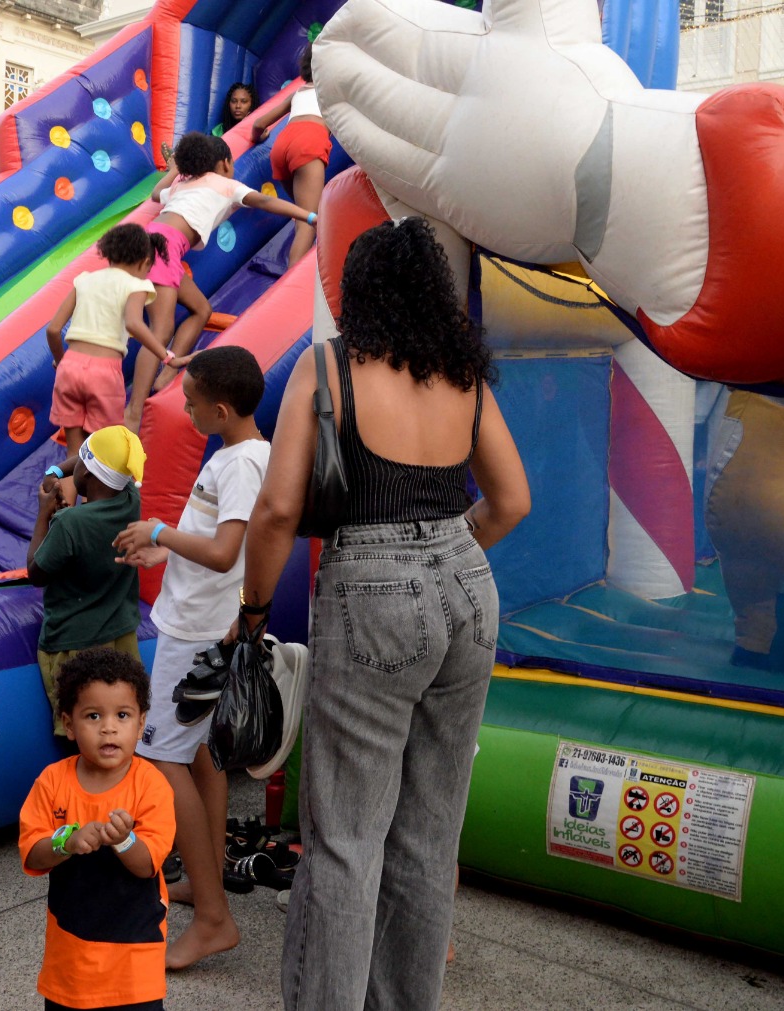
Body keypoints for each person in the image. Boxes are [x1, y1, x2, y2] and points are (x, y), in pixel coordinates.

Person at [235, 218, 530, 1010]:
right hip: (469, 589)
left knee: (344, 842)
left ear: (353, 294)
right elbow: (512, 500)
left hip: (370, 589)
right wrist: (445, 551)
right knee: (430, 839)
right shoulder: (463, 375)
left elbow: (275, 511)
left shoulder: (326, 366)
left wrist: (253, 613)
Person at [111, 346, 269, 970]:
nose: (183, 404)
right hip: (201, 624)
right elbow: (214, 544)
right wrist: (167, 555)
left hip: (195, 637)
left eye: (192, 399)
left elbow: (227, 550)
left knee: (158, 759)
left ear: (221, 409)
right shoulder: (240, 454)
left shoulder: (242, 463)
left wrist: (158, 533)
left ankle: (212, 919)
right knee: (203, 760)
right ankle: (204, 886)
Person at [19, 647, 176, 1011]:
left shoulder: (151, 786)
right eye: (93, 715)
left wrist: (124, 839)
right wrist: (67, 842)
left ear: (140, 724)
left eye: (122, 715)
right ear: (69, 725)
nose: (109, 726)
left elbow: (146, 864)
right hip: (70, 956)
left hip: (134, 956)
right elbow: (33, 853)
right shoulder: (51, 782)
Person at [126, 132, 318, 431]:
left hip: (154, 244)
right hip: (163, 246)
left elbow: (154, 195)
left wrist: (175, 170)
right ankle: (133, 412)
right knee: (160, 330)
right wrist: (308, 216)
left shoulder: (184, 183)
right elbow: (265, 201)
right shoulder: (227, 185)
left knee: (201, 310)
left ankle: (165, 375)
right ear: (226, 162)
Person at [45, 224, 194, 467]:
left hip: (69, 368)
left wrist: (62, 361)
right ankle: (94, 503)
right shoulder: (136, 285)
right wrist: (168, 358)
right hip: (103, 374)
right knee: (103, 455)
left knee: (74, 452)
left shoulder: (84, 280)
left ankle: (65, 504)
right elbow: (135, 324)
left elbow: (53, 329)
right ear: (145, 262)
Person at [29, 426, 146, 732]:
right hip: (120, 634)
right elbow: (84, 466)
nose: (72, 467)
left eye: (78, 462)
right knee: (119, 723)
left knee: (85, 726)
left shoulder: (70, 523)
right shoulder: (130, 498)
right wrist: (56, 470)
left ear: (90, 474)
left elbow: (35, 572)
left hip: (74, 643)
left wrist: (44, 514)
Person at [253, 44, 329, 265]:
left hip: (281, 146)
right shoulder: (332, 90)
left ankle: (306, 259)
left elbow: (259, 123)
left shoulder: (299, 92)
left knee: (302, 214)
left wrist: (258, 136)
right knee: (308, 221)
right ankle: (291, 286)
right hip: (308, 143)